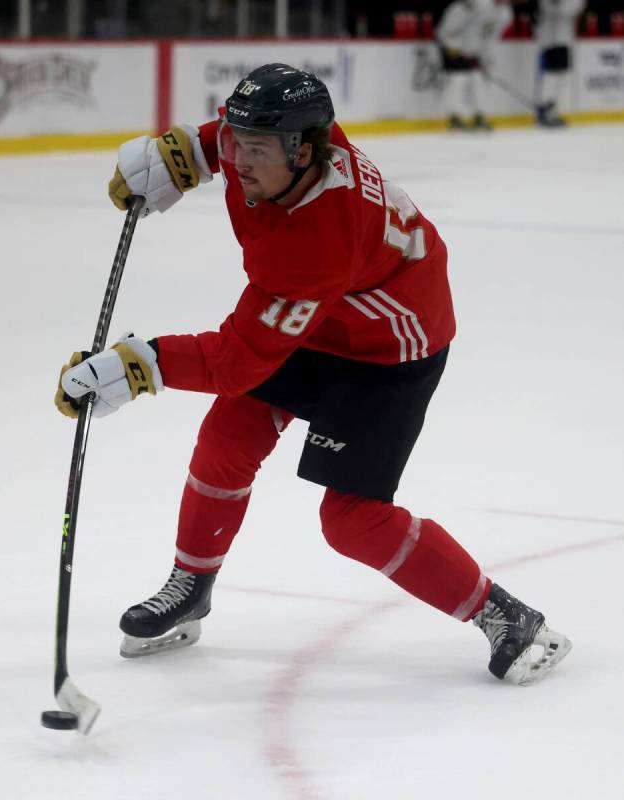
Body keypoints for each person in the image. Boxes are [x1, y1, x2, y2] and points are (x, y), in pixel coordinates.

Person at [55, 63, 571, 684]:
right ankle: (191, 585)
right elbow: (226, 135)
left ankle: (506, 616)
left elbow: (235, 358)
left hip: (389, 348)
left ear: (304, 152)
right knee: (228, 437)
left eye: (256, 150)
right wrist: (186, 152)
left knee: (351, 519)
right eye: (237, 143)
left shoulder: (319, 238)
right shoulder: (280, 145)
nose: (239, 160)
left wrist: (140, 368)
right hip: (322, 317)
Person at [435, 0, 515, 130]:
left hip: (475, 50)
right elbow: (449, 26)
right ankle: (454, 117)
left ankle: (478, 115)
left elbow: (492, 37)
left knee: (478, 80)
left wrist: (487, 57)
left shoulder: (506, 14)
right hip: (453, 45)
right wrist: (451, 45)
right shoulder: (476, 4)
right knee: (458, 79)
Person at [534, 0, 585, 127]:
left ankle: (551, 107)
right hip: (549, 41)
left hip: (564, 40)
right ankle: (544, 109)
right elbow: (548, 8)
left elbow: (573, 9)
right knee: (550, 75)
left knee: (562, 74)